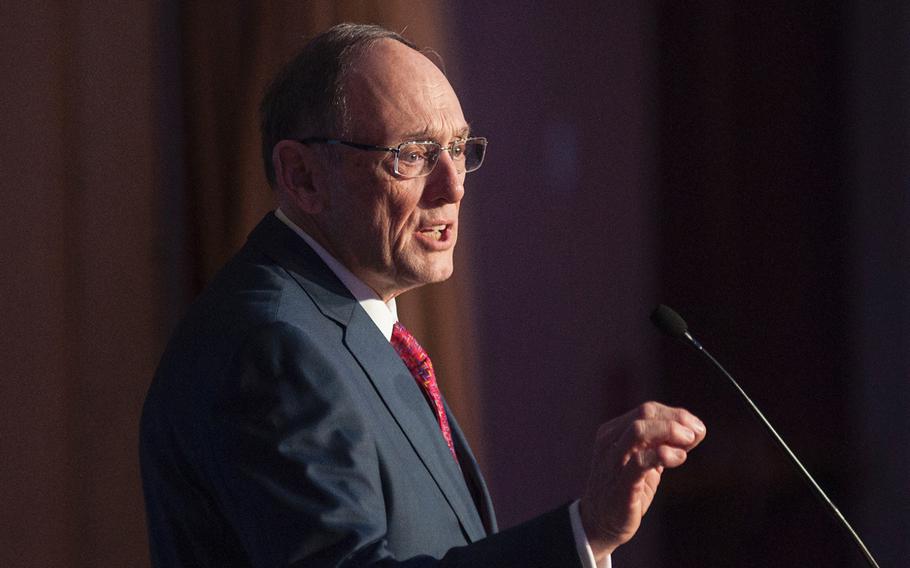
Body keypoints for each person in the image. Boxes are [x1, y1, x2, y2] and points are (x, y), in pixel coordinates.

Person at [140, 23, 706, 567]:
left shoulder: (348, 324)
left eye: (459, 148)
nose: (454, 185)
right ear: (304, 176)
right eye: (412, 153)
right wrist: (582, 534)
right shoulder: (274, 348)